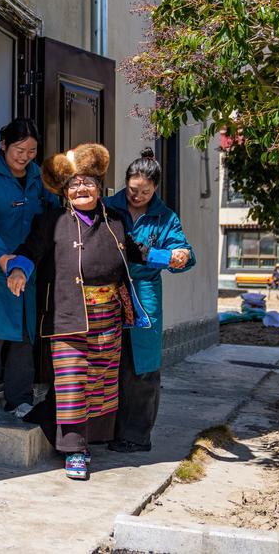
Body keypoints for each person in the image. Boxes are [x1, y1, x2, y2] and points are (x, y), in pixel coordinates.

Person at [6, 144, 158, 480]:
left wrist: (171, 257)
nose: (81, 189)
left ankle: (84, 435)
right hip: (68, 316)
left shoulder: (115, 220)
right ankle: (74, 450)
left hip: (109, 316)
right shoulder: (52, 222)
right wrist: (18, 270)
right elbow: (30, 250)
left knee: (100, 383)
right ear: (65, 192)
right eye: (74, 185)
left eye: (87, 182)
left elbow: (137, 253)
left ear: (99, 186)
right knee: (73, 382)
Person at [103, 148, 195, 453]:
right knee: (107, 361)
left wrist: (179, 256)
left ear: (155, 187)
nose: (137, 196)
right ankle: (102, 430)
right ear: (125, 182)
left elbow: (183, 252)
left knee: (141, 365)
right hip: (109, 291)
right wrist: (161, 256)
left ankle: (136, 436)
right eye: (133, 189)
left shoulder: (165, 216)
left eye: (145, 191)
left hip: (144, 294)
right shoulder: (108, 207)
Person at [0, 118, 59, 416]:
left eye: (31, 151)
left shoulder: (39, 178)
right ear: (5, 145)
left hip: (28, 266)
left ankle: (20, 396)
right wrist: (2, 258)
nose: (25, 157)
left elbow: (53, 214)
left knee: (24, 332)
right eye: (19, 150)